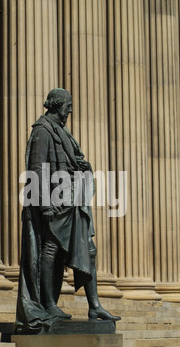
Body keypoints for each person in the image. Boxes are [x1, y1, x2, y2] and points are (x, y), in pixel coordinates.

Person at [15, 88, 121, 334]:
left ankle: (94, 305)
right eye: (68, 105)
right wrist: (43, 204)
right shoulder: (42, 130)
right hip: (54, 201)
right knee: (51, 250)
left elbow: (75, 161)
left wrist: (85, 167)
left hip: (72, 200)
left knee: (89, 250)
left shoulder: (62, 131)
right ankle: (49, 304)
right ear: (56, 105)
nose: (71, 110)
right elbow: (37, 168)